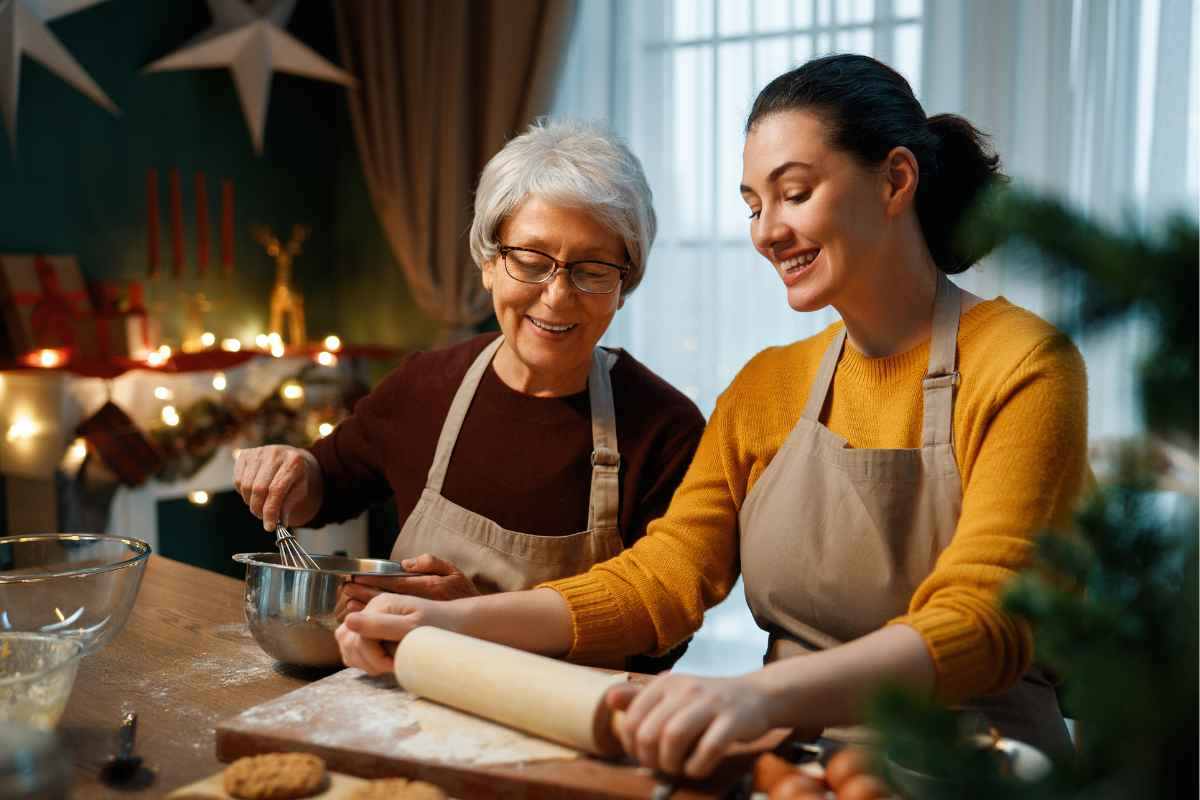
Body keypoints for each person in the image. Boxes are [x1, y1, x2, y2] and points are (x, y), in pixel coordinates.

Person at [334, 55, 1089, 773]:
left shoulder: (1025, 364)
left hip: (979, 768)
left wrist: (751, 696)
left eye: (793, 193)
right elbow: (660, 579)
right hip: (798, 768)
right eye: (754, 205)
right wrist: (450, 625)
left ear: (895, 179)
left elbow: (984, 622)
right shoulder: (769, 386)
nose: (766, 231)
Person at [233, 119, 705, 670]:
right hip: (405, 696)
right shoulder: (426, 386)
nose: (556, 297)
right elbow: (326, 484)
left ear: (624, 286)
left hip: (566, 726)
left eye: (592, 270)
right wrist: (289, 471)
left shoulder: (666, 429)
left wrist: (476, 619)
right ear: (488, 263)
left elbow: (662, 641)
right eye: (530, 260)